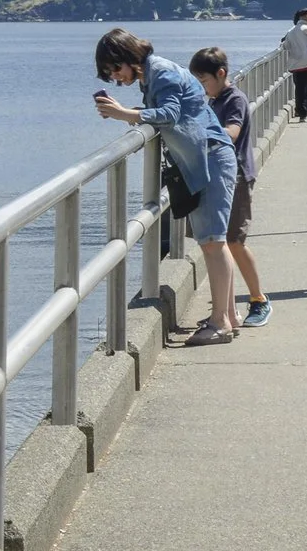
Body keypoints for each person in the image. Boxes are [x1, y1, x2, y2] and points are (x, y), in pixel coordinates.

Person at [93, 28, 239, 344]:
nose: (117, 78)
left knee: (213, 242)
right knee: (214, 242)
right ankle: (229, 315)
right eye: (110, 75)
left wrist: (123, 114)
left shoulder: (161, 73)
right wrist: (129, 112)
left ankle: (221, 322)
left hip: (211, 157)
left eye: (116, 69)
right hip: (205, 158)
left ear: (128, 57)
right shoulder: (154, 74)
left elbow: (169, 115)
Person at [190, 48, 270, 328]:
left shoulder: (233, 99)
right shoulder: (213, 99)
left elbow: (231, 133)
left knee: (235, 242)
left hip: (236, 176)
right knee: (224, 242)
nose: (202, 88)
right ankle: (226, 310)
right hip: (222, 177)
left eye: (203, 81)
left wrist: (197, 131)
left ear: (220, 74)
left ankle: (259, 299)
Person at [280, 8, 307, 121]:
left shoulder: (291, 31)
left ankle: (301, 112)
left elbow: (285, 46)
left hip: (296, 65)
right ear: (304, 17)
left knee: (299, 89)